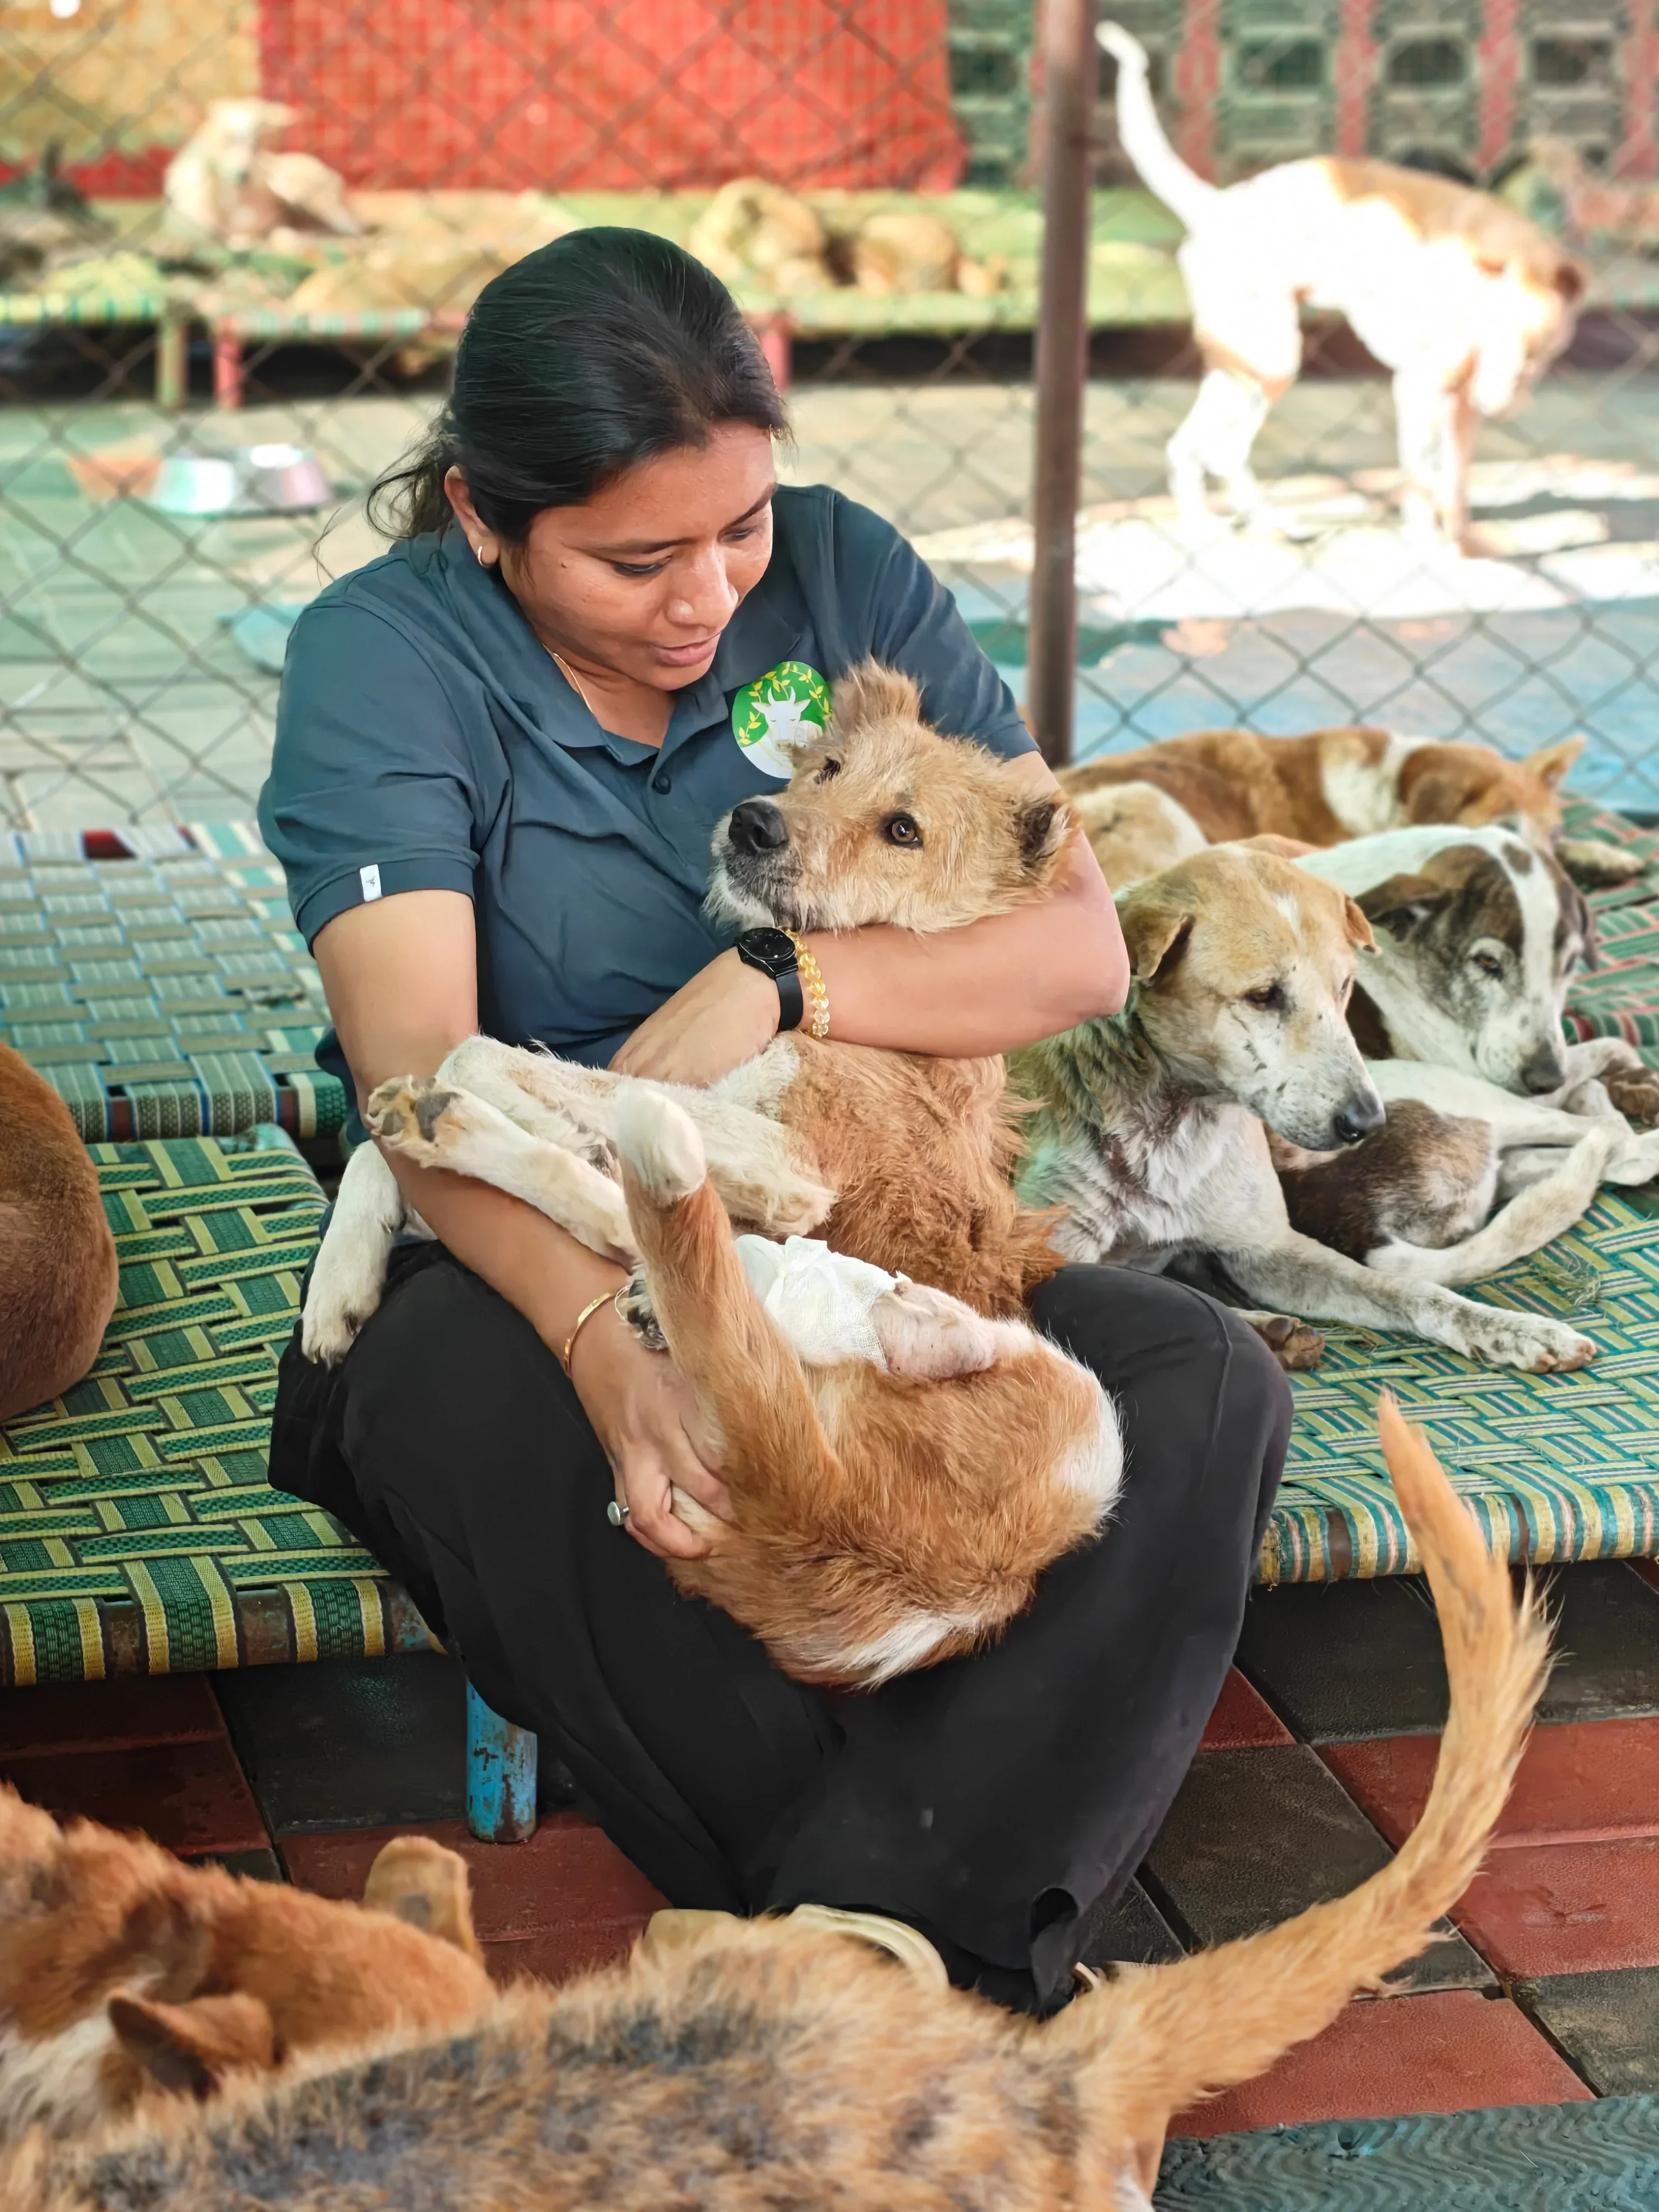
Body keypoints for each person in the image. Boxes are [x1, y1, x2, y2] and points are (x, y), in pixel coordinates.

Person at [261, 227, 1292, 2022]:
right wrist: (610, 1346)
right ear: (485, 516)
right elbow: (420, 1084)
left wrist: (787, 980)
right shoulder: (383, 655)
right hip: (508, 1244)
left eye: (737, 528)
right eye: (636, 559)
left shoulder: (845, 572)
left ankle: (858, 1968)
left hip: (846, 1229)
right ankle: (944, 1997)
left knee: (1201, 1379)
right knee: (575, 1466)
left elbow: (1075, 947)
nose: (708, 597)